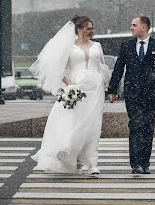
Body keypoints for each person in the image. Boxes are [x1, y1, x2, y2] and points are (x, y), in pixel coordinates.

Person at [30, 15, 110, 175]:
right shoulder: (69, 47)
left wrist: (103, 80)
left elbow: (102, 66)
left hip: (95, 89)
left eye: (92, 28)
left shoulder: (97, 46)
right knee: (76, 125)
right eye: (88, 28)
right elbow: (57, 69)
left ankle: (93, 163)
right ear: (79, 29)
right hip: (76, 89)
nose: (91, 31)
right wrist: (70, 85)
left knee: (94, 126)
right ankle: (77, 160)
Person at [108, 16, 155, 174]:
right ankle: (135, 163)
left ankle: (145, 163)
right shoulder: (126, 46)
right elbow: (118, 69)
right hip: (132, 94)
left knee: (148, 127)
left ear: (144, 28)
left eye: (134, 25)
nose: (131, 28)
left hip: (151, 94)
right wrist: (112, 90)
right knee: (136, 125)